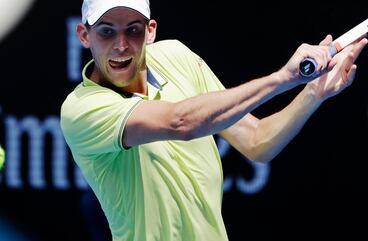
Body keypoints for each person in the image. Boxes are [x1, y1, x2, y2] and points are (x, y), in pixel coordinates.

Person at [60, 0, 367, 240]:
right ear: (84, 35)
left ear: (150, 31)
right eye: (106, 31)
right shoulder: (80, 109)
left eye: (133, 30)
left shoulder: (176, 56)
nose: (121, 45)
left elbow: (257, 141)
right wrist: (285, 78)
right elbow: (181, 122)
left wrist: (312, 92)